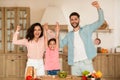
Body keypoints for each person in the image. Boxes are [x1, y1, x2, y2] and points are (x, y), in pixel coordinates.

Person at [60, 1, 105, 76]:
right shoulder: (69, 35)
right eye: (72, 19)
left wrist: (98, 8)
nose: (74, 21)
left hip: (86, 63)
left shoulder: (87, 29)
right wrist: (57, 33)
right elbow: (60, 44)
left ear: (79, 20)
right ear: (70, 21)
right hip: (74, 65)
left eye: (75, 19)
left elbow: (100, 21)